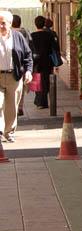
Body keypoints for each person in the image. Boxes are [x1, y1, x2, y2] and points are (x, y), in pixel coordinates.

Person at [0, 11, 33, 143]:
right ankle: (0, 130)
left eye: (3, 23)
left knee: (12, 106)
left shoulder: (18, 36)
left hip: (14, 76)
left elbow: (28, 55)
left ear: (10, 23)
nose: (1, 26)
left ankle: (9, 132)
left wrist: (29, 71)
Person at [31, 16, 56, 109]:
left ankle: (39, 101)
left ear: (35, 24)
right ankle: (43, 101)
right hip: (47, 61)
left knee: (36, 81)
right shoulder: (49, 35)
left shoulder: (32, 36)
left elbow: (29, 50)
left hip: (35, 61)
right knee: (45, 81)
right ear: (44, 24)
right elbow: (54, 48)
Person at [11, 15, 32, 116]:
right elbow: (29, 49)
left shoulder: (10, 34)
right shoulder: (26, 32)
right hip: (23, 65)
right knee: (21, 87)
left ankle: (14, 107)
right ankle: (20, 106)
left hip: (12, 66)